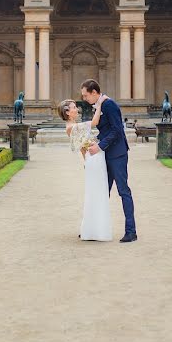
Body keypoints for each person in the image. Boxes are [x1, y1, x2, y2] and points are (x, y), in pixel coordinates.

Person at [81, 79, 136, 242]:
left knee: (123, 191)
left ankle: (131, 231)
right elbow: (106, 130)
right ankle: (95, 229)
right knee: (102, 192)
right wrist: (96, 141)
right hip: (106, 154)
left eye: (85, 95)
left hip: (117, 154)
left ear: (94, 92)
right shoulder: (100, 105)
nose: (84, 99)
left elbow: (117, 130)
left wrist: (99, 146)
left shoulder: (109, 105)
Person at [62, 96, 111, 242]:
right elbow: (95, 122)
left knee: (97, 193)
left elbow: (83, 148)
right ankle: (92, 229)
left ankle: (93, 229)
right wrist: (99, 104)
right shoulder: (72, 127)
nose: (77, 109)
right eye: (74, 107)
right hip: (94, 158)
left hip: (92, 158)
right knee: (96, 193)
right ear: (67, 112)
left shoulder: (73, 126)